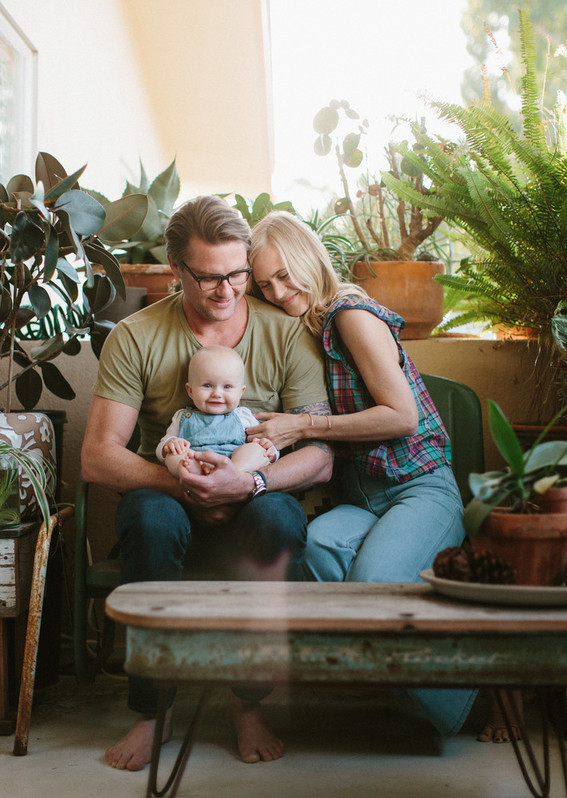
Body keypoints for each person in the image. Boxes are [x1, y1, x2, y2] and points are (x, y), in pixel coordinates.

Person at [81, 196, 333, 771]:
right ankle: (153, 710)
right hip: (167, 499)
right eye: (209, 277)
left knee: (279, 519)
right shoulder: (137, 336)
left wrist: (248, 486)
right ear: (175, 268)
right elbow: (98, 457)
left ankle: (247, 704)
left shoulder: (286, 334)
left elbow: (321, 457)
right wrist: (188, 486)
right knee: (149, 518)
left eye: (238, 273)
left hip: (255, 501)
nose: (227, 290)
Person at [247, 211, 492, 742]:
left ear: (310, 257)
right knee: (312, 551)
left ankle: (474, 696)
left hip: (419, 487)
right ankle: (390, 687)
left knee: (376, 583)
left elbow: (401, 416)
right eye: (266, 284)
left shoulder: (349, 314)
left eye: (287, 274)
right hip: (361, 498)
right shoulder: (301, 329)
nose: (280, 291)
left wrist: (302, 425)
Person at [156, 345, 279, 479]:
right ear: (190, 390)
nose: (217, 394)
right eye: (207, 385)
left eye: (227, 387)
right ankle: (196, 473)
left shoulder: (243, 416)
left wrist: (271, 450)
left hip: (237, 465)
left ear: (240, 392)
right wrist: (171, 444)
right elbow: (160, 450)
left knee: (257, 449)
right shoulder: (182, 416)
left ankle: (232, 474)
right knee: (174, 454)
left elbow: (266, 446)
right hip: (196, 461)